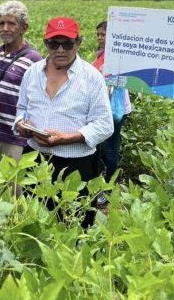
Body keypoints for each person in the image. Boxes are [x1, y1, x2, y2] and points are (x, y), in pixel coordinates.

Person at [15, 17, 113, 222]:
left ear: (78, 43)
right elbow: (22, 108)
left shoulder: (92, 77)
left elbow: (104, 124)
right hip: (35, 159)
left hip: (76, 164)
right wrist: (22, 124)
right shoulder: (32, 73)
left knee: (75, 222)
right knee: (34, 220)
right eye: (54, 43)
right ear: (46, 43)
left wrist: (67, 138)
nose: (60, 49)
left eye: (67, 43)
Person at [0, 0, 42, 163]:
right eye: (1, 23)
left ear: (24, 28)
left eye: (11, 23)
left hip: (16, 138)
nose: (5, 28)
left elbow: (37, 99)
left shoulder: (33, 59)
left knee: (13, 179)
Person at [93, 21, 132, 181]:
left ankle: (110, 183)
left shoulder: (118, 57)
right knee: (101, 146)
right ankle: (102, 174)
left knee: (110, 147)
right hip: (103, 107)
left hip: (116, 109)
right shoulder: (102, 54)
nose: (100, 38)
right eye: (98, 34)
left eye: (103, 35)